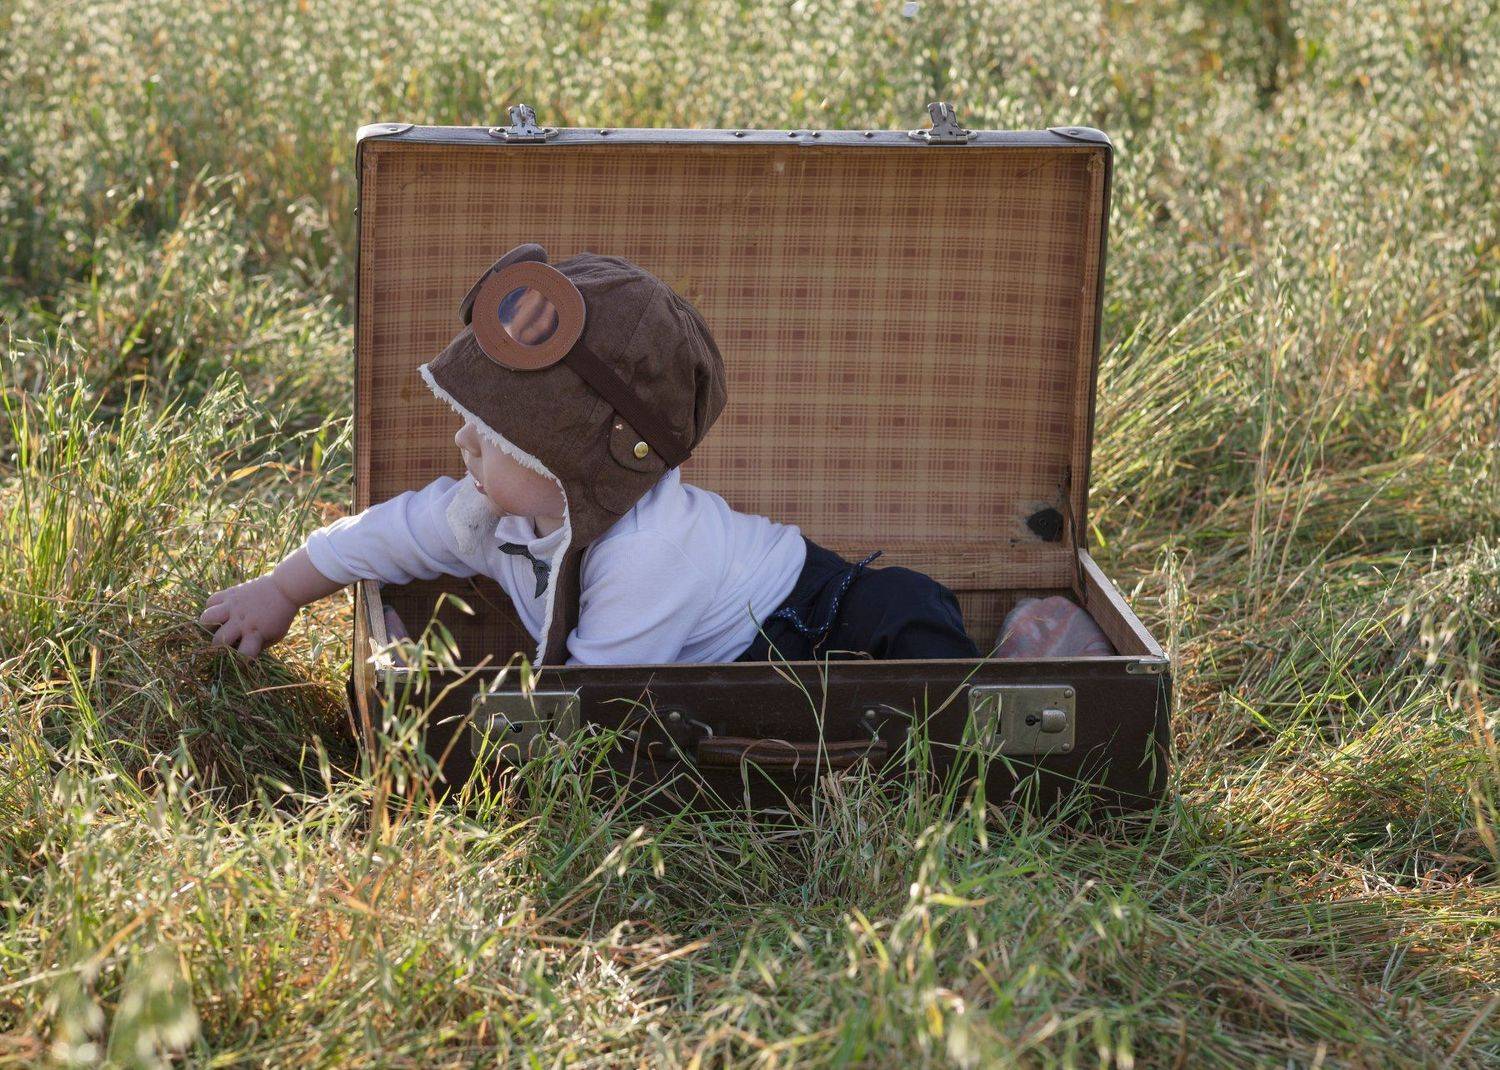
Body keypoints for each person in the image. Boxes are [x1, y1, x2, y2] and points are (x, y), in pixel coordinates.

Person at [199, 244, 979, 667]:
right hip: (726, 670)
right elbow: (386, 533)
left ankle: (1009, 661)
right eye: (469, 419)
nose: (463, 442)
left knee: (910, 620)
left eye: (494, 436)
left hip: (811, 612)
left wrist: (445, 695)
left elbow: (591, 708)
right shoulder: (491, 509)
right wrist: (283, 588)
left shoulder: (647, 552)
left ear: (578, 465)